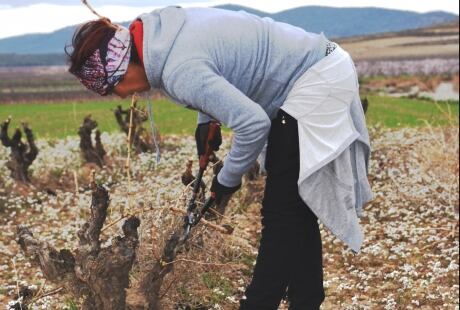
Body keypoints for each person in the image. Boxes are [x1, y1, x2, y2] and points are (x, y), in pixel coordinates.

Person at [66, 6, 373, 309]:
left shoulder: (177, 70)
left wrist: (227, 181)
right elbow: (213, 66)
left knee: (280, 213)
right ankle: (306, 301)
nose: (120, 95)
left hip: (315, 80)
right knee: (296, 205)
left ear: (123, 66)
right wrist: (206, 123)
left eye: (113, 86)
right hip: (320, 64)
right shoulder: (163, 37)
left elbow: (253, 124)